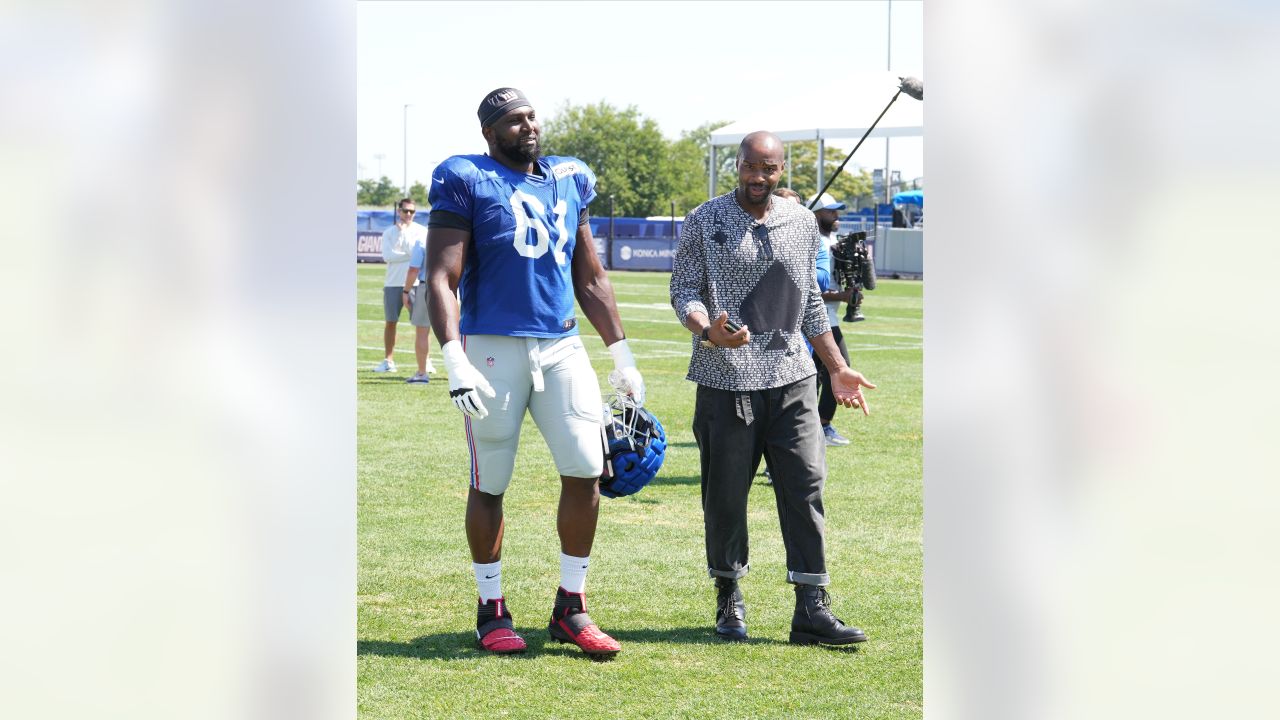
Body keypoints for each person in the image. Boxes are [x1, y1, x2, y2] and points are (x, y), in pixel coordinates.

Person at [425, 87, 645, 658]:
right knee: (491, 478)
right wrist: (453, 356)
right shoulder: (464, 177)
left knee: (586, 466)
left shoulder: (569, 178)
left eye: (530, 116)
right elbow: (441, 277)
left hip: (561, 343)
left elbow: (590, 276)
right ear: (488, 132)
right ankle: (490, 608)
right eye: (513, 120)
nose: (528, 126)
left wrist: (622, 354)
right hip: (492, 345)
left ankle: (571, 606)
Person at [670, 130, 876, 646]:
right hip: (726, 380)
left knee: (806, 487)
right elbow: (683, 290)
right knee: (726, 497)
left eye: (769, 169)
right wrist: (705, 329)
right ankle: (729, 598)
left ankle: (812, 607)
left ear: (781, 170)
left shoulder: (802, 221)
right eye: (750, 167)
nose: (758, 178)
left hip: (793, 379)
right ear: (736, 166)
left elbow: (809, 302)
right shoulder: (704, 219)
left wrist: (834, 366)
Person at [808, 192, 857, 447]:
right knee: (834, 369)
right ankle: (820, 426)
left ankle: (818, 426)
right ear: (816, 214)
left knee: (823, 374)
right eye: (830, 211)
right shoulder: (812, 240)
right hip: (817, 317)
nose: (836, 216)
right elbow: (810, 286)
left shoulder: (832, 240)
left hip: (831, 316)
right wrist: (844, 296)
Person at [375, 198, 427, 373]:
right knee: (391, 322)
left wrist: (404, 239)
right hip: (393, 283)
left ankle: (426, 361)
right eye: (405, 211)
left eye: (412, 211)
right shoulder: (389, 232)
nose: (409, 214)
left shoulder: (422, 231)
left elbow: (417, 255)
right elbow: (388, 256)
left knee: (422, 325)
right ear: (399, 211)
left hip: (416, 283)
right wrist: (409, 254)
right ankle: (388, 360)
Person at [401, 239, 437, 383]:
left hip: (427, 286)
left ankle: (422, 373)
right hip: (451, 288)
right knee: (456, 334)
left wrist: (406, 291)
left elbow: (413, 270)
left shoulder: (422, 240)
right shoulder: (456, 237)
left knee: (422, 332)